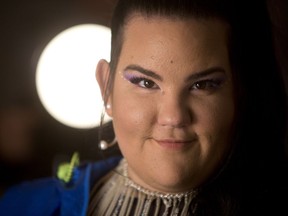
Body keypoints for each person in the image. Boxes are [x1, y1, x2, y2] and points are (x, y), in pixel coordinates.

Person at [0, 0, 287, 215]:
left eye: (203, 85)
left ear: (239, 93)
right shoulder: (21, 206)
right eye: (146, 83)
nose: (173, 116)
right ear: (106, 87)